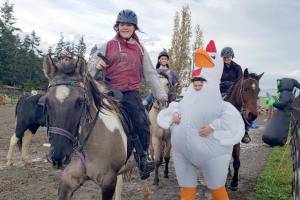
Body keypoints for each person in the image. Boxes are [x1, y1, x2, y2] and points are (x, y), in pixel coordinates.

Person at [157, 41, 244, 200]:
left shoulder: (235, 70)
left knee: (216, 185)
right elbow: (179, 104)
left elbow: (228, 116)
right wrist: (175, 112)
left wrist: (212, 126)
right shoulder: (193, 87)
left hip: (213, 153)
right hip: (183, 153)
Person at [87, 9, 168, 180]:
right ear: (117, 26)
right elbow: (90, 67)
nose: (125, 27)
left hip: (130, 93)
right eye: (122, 24)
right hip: (108, 91)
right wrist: (97, 65)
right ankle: (70, 147)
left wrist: (161, 95)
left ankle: (142, 158)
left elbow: (150, 74)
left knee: (142, 122)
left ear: (134, 28)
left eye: (129, 25)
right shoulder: (107, 45)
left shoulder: (140, 49)